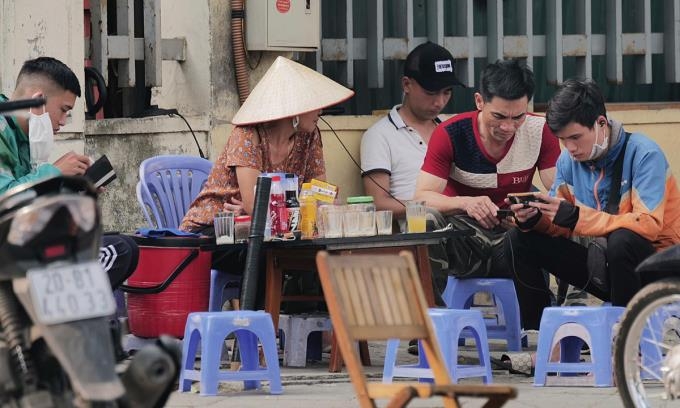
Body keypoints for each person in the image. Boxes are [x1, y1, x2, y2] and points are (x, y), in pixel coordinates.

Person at [180, 56, 353, 311]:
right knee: (265, 251)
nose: (321, 111)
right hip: (213, 232)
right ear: (294, 109)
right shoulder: (247, 134)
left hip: (266, 231)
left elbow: (319, 197)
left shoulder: (309, 136)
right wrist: (259, 216)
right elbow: (255, 205)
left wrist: (263, 215)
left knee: (325, 249)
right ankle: (257, 338)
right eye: (314, 105)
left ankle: (317, 338)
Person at [506, 78, 680, 330]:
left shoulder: (644, 154)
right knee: (519, 238)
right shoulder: (568, 162)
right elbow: (561, 224)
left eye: (576, 137)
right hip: (605, 266)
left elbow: (649, 225)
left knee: (623, 239)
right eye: (563, 140)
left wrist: (576, 217)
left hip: (657, 270)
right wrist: (534, 219)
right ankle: (541, 335)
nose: (570, 148)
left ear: (601, 123)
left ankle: (624, 339)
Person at [413, 59, 561, 279]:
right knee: (422, 219)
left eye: (518, 117)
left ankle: (571, 309)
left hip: (516, 241)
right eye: (499, 116)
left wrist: (532, 216)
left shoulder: (540, 130)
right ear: (479, 101)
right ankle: (433, 310)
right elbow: (420, 199)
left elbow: (562, 193)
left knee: (575, 211)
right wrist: (466, 203)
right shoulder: (450, 133)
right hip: (464, 240)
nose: (508, 127)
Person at [0, 56, 138, 288]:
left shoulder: (24, 137)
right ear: (37, 102)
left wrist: (75, 189)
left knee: (124, 246)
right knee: (119, 251)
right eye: (63, 110)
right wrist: (54, 172)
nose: (63, 122)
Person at [360, 41, 463, 219]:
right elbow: (378, 203)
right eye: (431, 92)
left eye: (446, 92)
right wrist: (443, 206)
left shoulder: (453, 129)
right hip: (422, 230)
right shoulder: (380, 136)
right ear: (407, 85)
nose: (439, 102)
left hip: (467, 225)